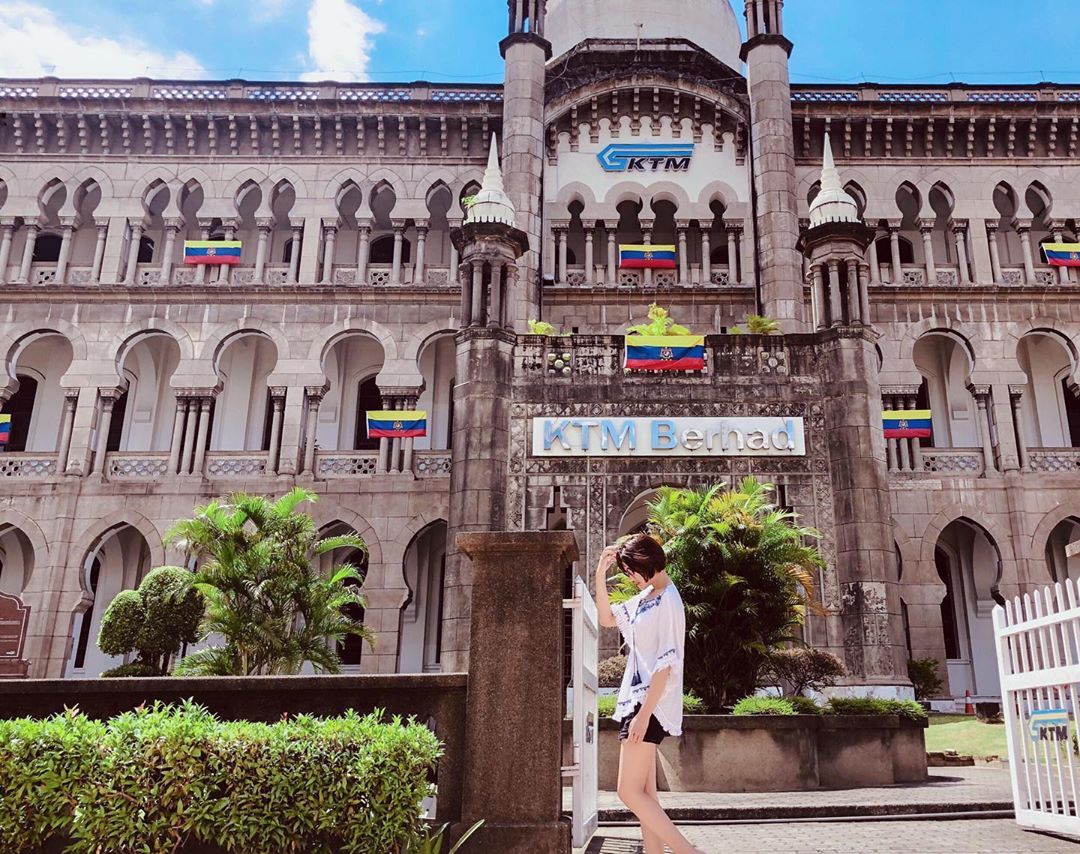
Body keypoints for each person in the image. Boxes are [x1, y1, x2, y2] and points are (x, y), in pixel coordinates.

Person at [595, 533, 705, 854]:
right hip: (637, 700)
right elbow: (606, 618)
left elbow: (665, 664)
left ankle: (688, 852)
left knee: (628, 792)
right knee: (645, 792)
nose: (629, 577)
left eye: (631, 570)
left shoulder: (669, 600)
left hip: (649, 705)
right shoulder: (647, 597)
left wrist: (644, 715)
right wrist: (600, 574)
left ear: (646, 562)